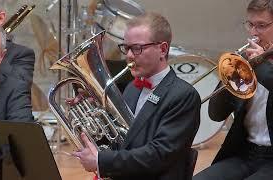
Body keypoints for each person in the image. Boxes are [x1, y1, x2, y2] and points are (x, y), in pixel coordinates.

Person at [72, 12, 201, 180]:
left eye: (137, 48)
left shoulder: (184, 96)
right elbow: (118, 141)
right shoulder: (132, 88)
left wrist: (101, 161)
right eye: (126, 48)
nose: (129, 56)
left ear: (162, 49)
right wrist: (89, 119)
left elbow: (158, 155)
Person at [193, 0, 273, 179]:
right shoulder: (248, 63)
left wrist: (262, 67)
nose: (253, 33)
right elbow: (216, 114)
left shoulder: (261, 68)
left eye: (261, 26)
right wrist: (230, 74)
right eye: (250, 24)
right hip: (245, 154)